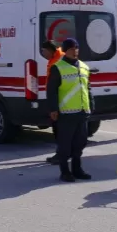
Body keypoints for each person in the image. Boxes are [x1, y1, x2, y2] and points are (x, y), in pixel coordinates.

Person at [46, 38, 93, 182]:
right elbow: (51, 90)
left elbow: (87, 88)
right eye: (72, 49)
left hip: (82, 111)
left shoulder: (84, 67)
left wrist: (91, 105)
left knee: (80, 143)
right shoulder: (57, 67)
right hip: (66, 113)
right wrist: (53, 109)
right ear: (65, 51)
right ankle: (65, 172)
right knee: (65, 145)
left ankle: (77, 169)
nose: (75, 51)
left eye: (77, 48)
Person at [41, 40, 64, 165]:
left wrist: (53, 106)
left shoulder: (58, 61)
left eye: (44, 51)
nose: (43, 54)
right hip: (60, 100)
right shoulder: (56, 59)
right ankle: (62, 153)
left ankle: (61, 155)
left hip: (60, 100)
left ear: (50, 50)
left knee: (59, 130)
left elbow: (54, 85)